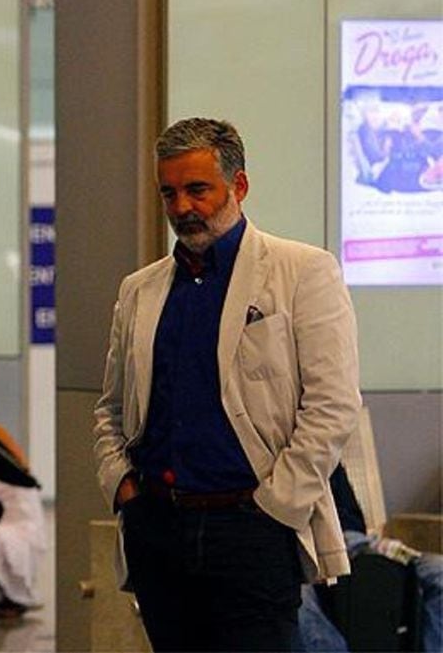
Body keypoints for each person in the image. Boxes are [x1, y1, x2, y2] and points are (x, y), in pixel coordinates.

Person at [93, 117, 362, 652]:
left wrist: (276, 506)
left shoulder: (303, 271)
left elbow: (332, 407)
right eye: (169, 193)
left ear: (238, 186)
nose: (182, 208)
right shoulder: (140, 290)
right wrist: (123, 488)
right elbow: (112, 408)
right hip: (160, 526)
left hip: (253, 527)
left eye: (198, 190)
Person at [295, 463, 443, 652]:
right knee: (297, 602)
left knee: (439, 570)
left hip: (356, 543)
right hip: (306, 551)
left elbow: (355, 520)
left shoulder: (329, 457)